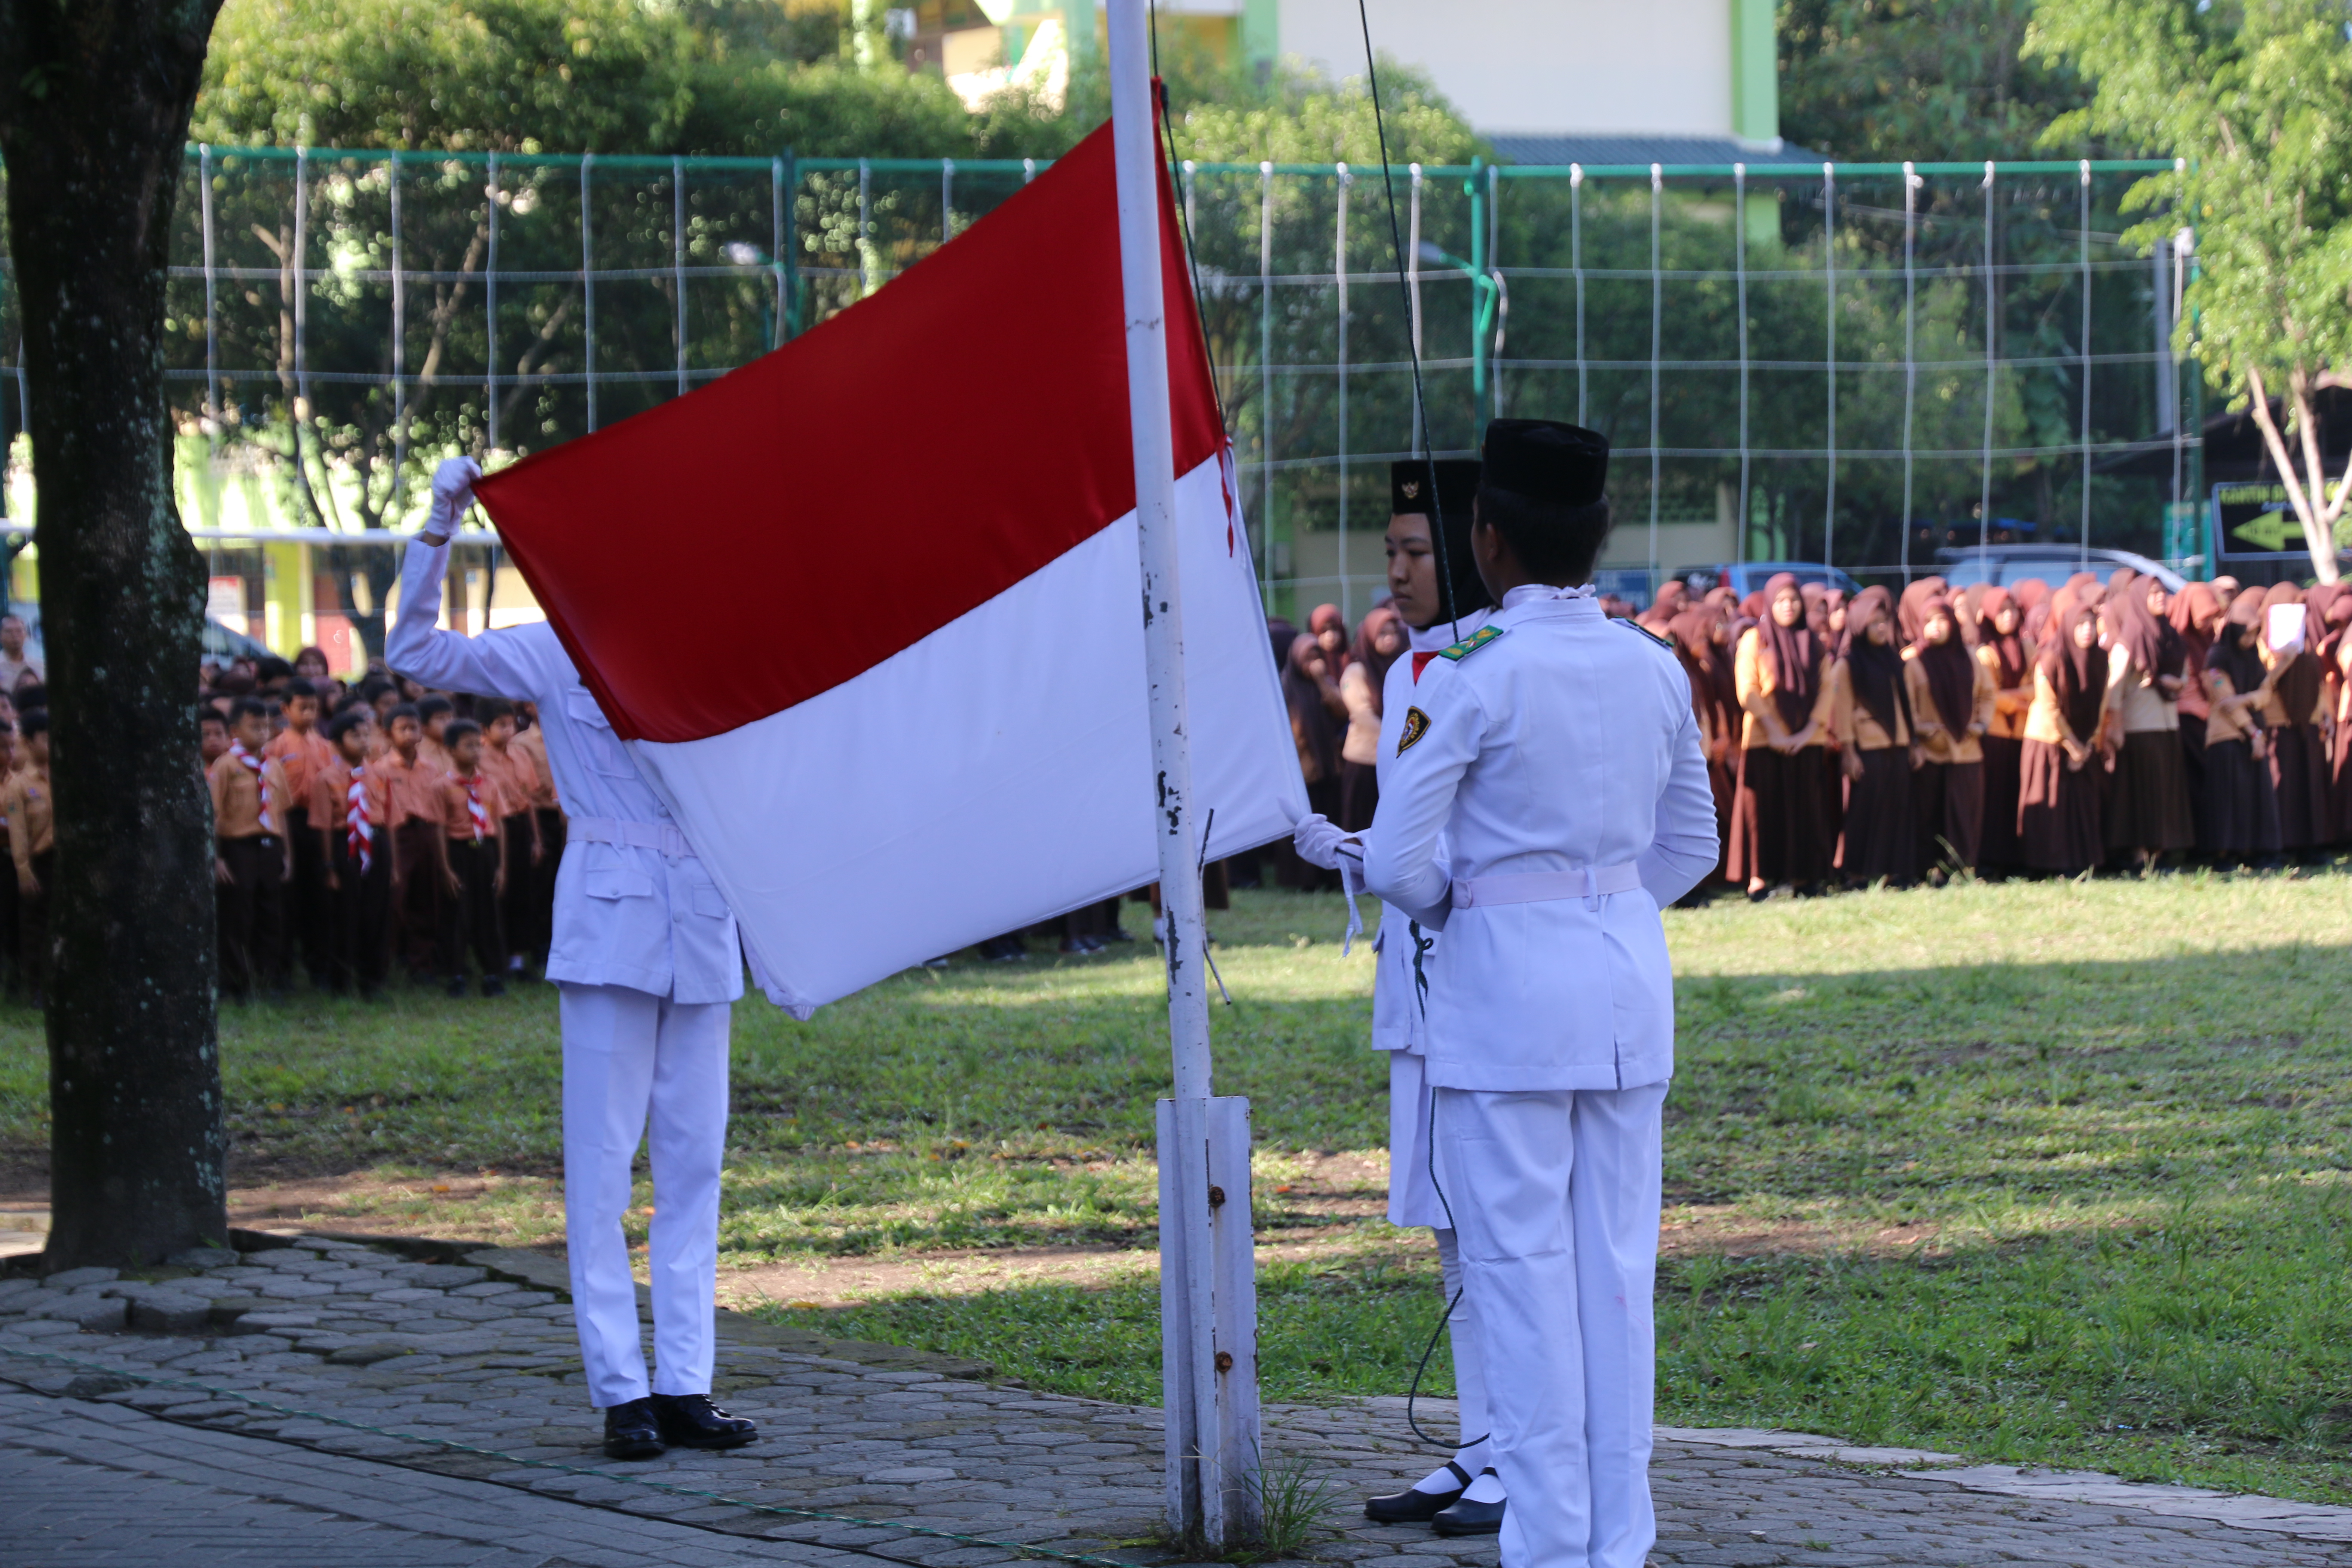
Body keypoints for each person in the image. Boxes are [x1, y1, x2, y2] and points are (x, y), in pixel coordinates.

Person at [1358, 420, 1717, 1568]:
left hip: (1507, 1011)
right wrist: (1600, 906)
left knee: (1520, 1282)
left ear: (1490, 540)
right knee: (1617, 1282)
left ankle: (1554, 1549)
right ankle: (1618, 1545)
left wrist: (1486, 911)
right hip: (1623, 998)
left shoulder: (1472, 678)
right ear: (1598, 537)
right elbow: (1693, 847)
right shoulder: (1652, 666)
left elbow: (1396, 864)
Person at [388, 456, 756, 1463]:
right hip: (610, 917)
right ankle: (620, 1390)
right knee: (601, 1167)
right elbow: (415, 647)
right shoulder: (558, 649)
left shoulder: (710, 645)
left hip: (701, 920)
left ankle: (684, 1380)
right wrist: (438, 524)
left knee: (694, 1165)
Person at [1300, 455, 1510, 1535]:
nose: (1395, 571)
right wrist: (1359, 849)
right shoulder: (1415, 667)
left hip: (1468, 966)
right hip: (1417, 971)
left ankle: (1509, 1455)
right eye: (1388, 551)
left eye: (1415, 551)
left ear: (1473, 553)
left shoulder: (1475, 667)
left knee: (1488, 1227)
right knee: (1442, 1222)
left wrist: (1381, 856)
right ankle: (1476, 1448)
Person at [1729, 573, 1834, 897]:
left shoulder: (1813, 641)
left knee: (1806, 810)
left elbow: (1828, 688)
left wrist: (1806, 732)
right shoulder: (1755, 639)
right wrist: (1774, 730)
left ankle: (1804, 878)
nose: (1788, 607)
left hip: (1807, 740)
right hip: (1764, 740)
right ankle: (1759, 879)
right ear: (1769, 604)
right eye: (1780, 601)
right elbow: (1748, 689)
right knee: (1762, 812)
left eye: (1793, 600)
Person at [2100, 574, 2195, 871]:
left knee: (2166, 788)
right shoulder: (2130, 639)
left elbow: (2186, 673)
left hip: (2168, 723)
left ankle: (2161, 851)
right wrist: (2114, 726)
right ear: (2140, 598)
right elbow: (2114, 688)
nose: (2160, 598)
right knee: (2143, 791)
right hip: (2139, 725)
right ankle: (2140, 854)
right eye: (2153, 593)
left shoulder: (2170, 636)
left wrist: (2176, 683)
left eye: (2163, 592)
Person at [1828, 586, 1915, 888]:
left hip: (1898, 745)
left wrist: (1912, 742)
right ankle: (1856, 873)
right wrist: (1849, 753)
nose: (1882, 628)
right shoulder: (1847, 665)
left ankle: (1895, 872)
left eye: (1886, 621)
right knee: (1865, 813)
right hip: (1868, 748)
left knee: (1898, 810)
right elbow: (1842, 710)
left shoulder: (1893, 660)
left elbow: (1905, 705)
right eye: (1874, 622)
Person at [1902, 594, 1993, 878]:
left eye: (1942, 619)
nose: (1936, 627)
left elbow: (1987, 694)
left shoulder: (1970, 659)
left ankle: (1962, 867)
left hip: (1967, 751)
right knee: (1930, 814)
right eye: (1929, 621)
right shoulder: (1915, 663)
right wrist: (1923, 730)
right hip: (1932, 751)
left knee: (1965, 815)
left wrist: (1980, 725)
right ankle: (1930, 870)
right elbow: (1906, 707)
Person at [210, 696, 294, 1001]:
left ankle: (266, 979)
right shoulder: (226, 766)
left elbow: (281, 814)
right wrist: (218, 859)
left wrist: (287, 856)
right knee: (238, 916)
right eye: (254, 726)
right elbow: (215, 816)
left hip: (269, 847)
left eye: (265, 727)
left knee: (270, 914)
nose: (261, 733)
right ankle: (236, 983)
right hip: (238, 847)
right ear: (235, 730)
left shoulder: (273, 766)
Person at [2018, 601, 2110, 876]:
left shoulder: (2100, 659)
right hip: (2049, 739)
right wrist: (2072, 745)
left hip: (2084, 739)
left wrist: (2089, 743)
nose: (2087, 631)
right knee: (2052, 801)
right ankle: (2047, 865)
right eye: (2080, 625)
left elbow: (2102, 703)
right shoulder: (2050, 658)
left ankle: (2082, 861)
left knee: (2081, 803)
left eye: (2092, 624)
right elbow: (2049, 706)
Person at [2198, 596, 2281, 865]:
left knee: (2253, 795)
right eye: (2247, 634)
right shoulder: (2217, 657)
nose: (2250, 640)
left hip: (2253, 732)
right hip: (2227, 735)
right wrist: (2253, 733)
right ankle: (2223, 854)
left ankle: (2252, 851)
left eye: (2255, 634)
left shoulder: (2252, 657)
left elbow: (2265, 693)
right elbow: (2225, 700)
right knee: (2228, 797)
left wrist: (2247, 700)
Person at [316, 707, 392, 996]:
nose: (363, 741)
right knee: (345, 913)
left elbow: (389, 817)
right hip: (344, 843)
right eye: (354, 735)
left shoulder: (378, 774)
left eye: (365, 735)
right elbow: (323, 825)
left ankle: (373, 980)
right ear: (337, 743)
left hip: (375, 840)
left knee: (377, 911)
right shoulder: (326, 778)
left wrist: (392, 861)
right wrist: (329, 866)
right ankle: (341, 980)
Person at [266, 677, 337, 986]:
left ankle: (319, 965)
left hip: (318, 823)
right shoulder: (275, 748)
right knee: (288, 895)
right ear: (286, 709)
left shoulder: (326, 746)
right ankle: (282, 970)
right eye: (302, 708)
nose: (309, 714)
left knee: (318, 896)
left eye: (314, 709)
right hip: (288, 821)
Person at [435, 718, 510, 998]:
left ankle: (493, 974)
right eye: (468, 746)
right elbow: (441, 829)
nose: (476, 752)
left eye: (478, 746)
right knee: (457, 914)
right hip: (458, 852)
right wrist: (445, 869)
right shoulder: (442, 786)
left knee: (489, 913)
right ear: (451, 750)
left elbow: (499, 824)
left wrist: (502, 865)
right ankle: (455, 974)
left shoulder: (490, 784)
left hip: (486, 851)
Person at [2255, 582, 2331, 856]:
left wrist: (2325, 714)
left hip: (2309, 724)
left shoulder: (2307, 643)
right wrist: (2284, 661)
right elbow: (2263, 685)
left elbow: (2318, 683)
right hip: (2279, 723)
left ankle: (2311, 845)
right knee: (2283, 786)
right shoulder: (2261, 643)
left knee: (2309, 784)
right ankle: (2280, 845)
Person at [476, 696, 547, 978]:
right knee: (497, 893)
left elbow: (528, 800)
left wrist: (537, 839)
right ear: (484, 729)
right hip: (495, 829)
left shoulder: (519, 754)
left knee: (523, 893)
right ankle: (496, 958)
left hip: (521, 826)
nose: (509, 730)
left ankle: (518, 959)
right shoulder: (478, 759)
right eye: (501, 725)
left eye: (511, 723)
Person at [378, 703, 448, 981]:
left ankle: (422, 963)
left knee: (426, 896)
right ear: (388, 734)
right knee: (396, 898)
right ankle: (393, 957)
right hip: (398, 835)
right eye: (402, 729)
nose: (409, 734)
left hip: (428, 833)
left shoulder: (430, 768)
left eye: (414, 728)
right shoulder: (381, 769)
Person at [1278, 634, 1347, 890]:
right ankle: (1302, 880)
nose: (1314, 662)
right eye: (1308, 657)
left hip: (1329, 767)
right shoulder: (1285, 688)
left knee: (1328, 823)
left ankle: (1328, 877)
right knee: (1302, 826)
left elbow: (1342, 713)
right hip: (1302, 771)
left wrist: (1321, 680)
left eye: (1318, 656)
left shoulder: (1325, 684)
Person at [1973, 587, 2034, 876]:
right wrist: (2018, 700)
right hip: (1995, 736)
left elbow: (2038, 689)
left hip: (2022, 735)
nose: (2009, 617)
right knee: (1995, 798)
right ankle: (1990, 861)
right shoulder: (1985, 653)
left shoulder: (2028, 648)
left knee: (2016, 796)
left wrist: (2014, 696)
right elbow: (1989, 695)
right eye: (2002, 611)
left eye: (2013, 610)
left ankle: (2016, 858)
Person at [1337, 606, 1404, 833]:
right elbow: (1362, 715)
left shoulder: (1401, 666)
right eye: (1382, 633)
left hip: (1394, 759)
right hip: (1365, 762)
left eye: (1393, 633)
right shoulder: (1356, 671)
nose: (1390, 639)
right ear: (1370, 636)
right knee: (1361, 825)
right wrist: (1399, 742)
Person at [4, 711, 51, 1006]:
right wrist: (23, 870)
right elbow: (18, 833)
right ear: (29, 743)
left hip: (67, 863)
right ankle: (36, 987)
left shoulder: (68, 778)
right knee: (36, 927)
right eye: (46, 739)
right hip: (39, 862)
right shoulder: (19, 785)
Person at [0, 615, 40, 691]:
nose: (15, 636)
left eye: (19, 631)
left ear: (26, 634)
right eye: (9, 631)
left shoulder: (39, 667)